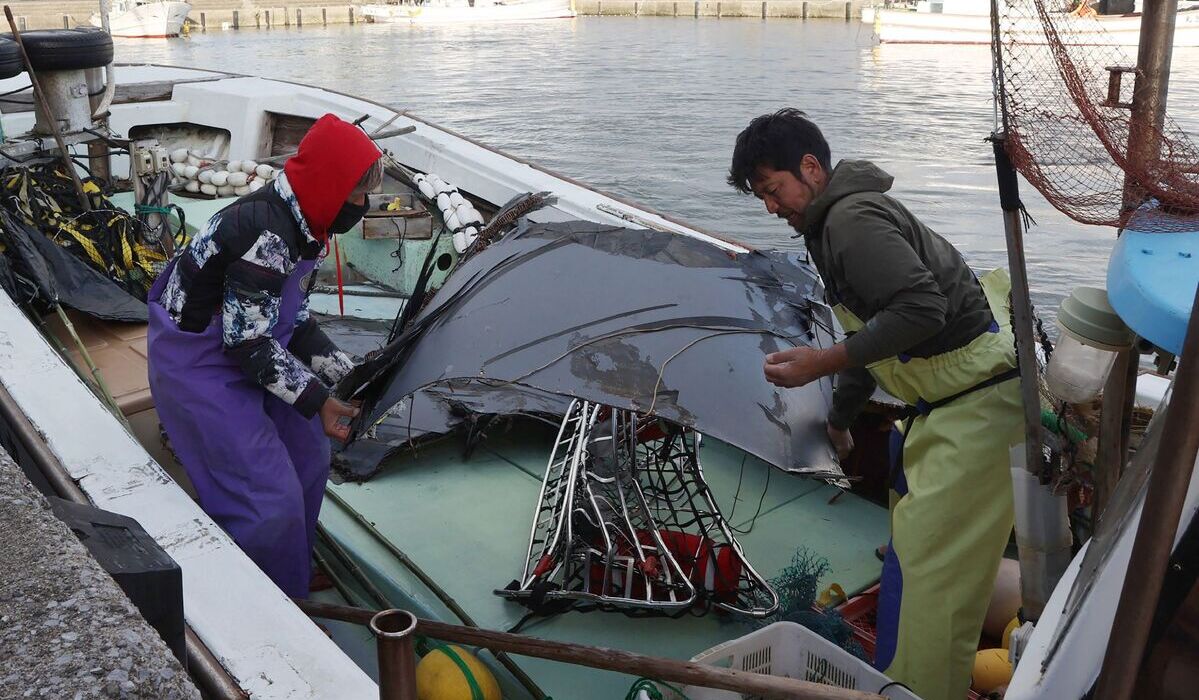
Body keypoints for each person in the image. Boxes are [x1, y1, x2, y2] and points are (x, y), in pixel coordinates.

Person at [729, 108, 1023, 700]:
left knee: (930, 586)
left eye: (773, 189)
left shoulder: (851, 220)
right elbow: (874, 333)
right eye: (760, 196)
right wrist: (840, 421)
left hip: (976, 403)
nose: (770, 206)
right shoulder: (830, 224)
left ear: (810, 168)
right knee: (916, 563)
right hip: (946, 401)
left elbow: (920, 311)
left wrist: (820, 362)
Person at [147, 114, 382, 598]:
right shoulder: (267, 234)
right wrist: (320, 401)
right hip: (201, 360)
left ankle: (290, 560)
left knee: (312, 456)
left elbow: (293, 322)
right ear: (330, 186)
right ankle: (272, 600)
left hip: (256, 344)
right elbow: (246, 343)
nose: (364, 205)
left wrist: (353, 378)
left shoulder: (308, 222)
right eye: (358, 193)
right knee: (266, 499)